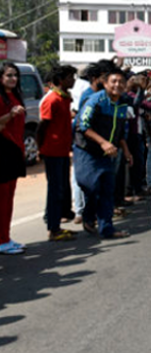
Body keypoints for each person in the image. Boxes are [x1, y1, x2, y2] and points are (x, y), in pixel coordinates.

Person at [74, 66, 132, 239]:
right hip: (87, 150)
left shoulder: (123, 103)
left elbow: (121, 131)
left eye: (121, 82)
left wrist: (127, 151)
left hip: (109, 152)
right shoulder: (95, 100)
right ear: (105, 84)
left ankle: (107, 229)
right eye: (113, 81)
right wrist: (103, 142)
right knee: (91, 186)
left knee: (107, 189)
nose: (118, 85)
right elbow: (82, 126)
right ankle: (88, 216)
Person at [37, 65, 78, 242]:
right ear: (61, 80)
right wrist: (41, 148)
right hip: (52, 151)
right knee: (54, 189)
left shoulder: (65, 98)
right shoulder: (51, 100)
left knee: (61, 187)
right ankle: (53, 229)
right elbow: (42, 127)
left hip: (62, 150)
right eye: (70, 77)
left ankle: (57, 223)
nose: (73, 80)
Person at [0, 63, 28, 254]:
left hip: (15, 150)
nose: (13, 78)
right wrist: (9, 115)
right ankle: (2, 241)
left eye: (15, 75)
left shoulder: (15, 96)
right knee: (2, 198)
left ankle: (6, 237)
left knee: (9, 197)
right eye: (9, 75)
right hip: (2, 150)